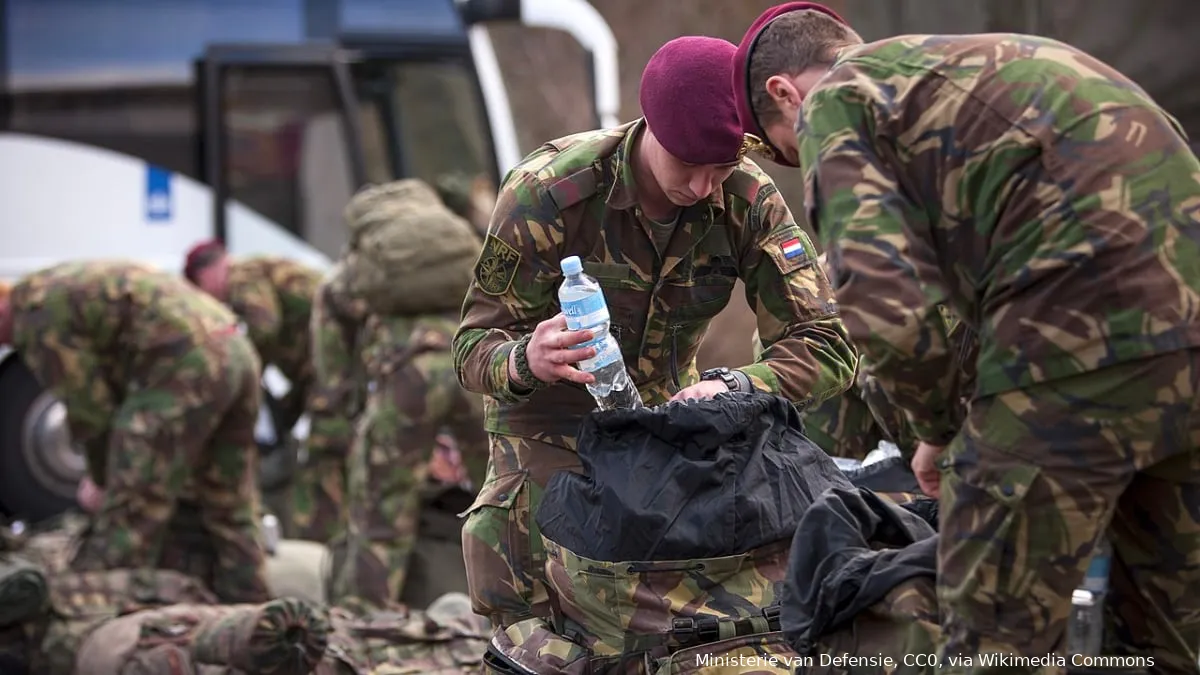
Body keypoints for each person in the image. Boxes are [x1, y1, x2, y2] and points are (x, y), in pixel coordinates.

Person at [732, 3, 1200, 671]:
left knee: (989, 639)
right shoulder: (984, 66)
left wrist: (941, 427)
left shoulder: (839, 99)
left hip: (1073, 351)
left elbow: (886, 307)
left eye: (785, 150)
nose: (797, 161)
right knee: (1169, 640)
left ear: (785, 94)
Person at [453, 35, 857, 628]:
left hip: (669, 432)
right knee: (540, 633)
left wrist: (739, 388)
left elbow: (826, 342)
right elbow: (469, 349)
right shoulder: (549, 193)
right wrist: (524, 359)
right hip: (549, 437)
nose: (702, 187)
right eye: (687, 164)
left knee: (683, 636)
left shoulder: (745, 197)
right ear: (650, 131)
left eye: (720, 166)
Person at [0, 261, 270, 604]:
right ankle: (259, 622)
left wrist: (101, 481)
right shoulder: (55, 286)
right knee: (229, 504)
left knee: (133, 506)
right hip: (236, 350)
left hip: (189, 361)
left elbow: (89, 409)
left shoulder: (35, 318)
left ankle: (94, 614)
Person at [313, 179, 488, 608]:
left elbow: (334, 383)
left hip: (408, 379)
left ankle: (364, 631)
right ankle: (521, 623)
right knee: (501, 498)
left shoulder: (346, 282)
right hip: (472, 365)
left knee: (382, 518)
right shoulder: (458, 252)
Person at [183, 242, 324, 436]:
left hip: (333, 355)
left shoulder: (240, 275)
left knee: (328, 441)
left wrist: (241, 373)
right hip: (324, 362)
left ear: (205, 275)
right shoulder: (254, 272)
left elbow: (265, 327)